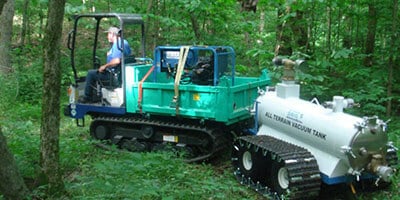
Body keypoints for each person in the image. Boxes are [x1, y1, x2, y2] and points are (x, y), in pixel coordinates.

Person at [79, 26, 131, 103]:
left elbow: (117, 61)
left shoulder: (118, 44)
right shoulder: (124, 42)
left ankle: (87, 97)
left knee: (91, 73)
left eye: (108, 34)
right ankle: (98, 96)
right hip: (120, 74)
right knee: (97, 72)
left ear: (112, 34)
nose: (107, 36)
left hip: (114, 77)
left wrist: (105, 66)